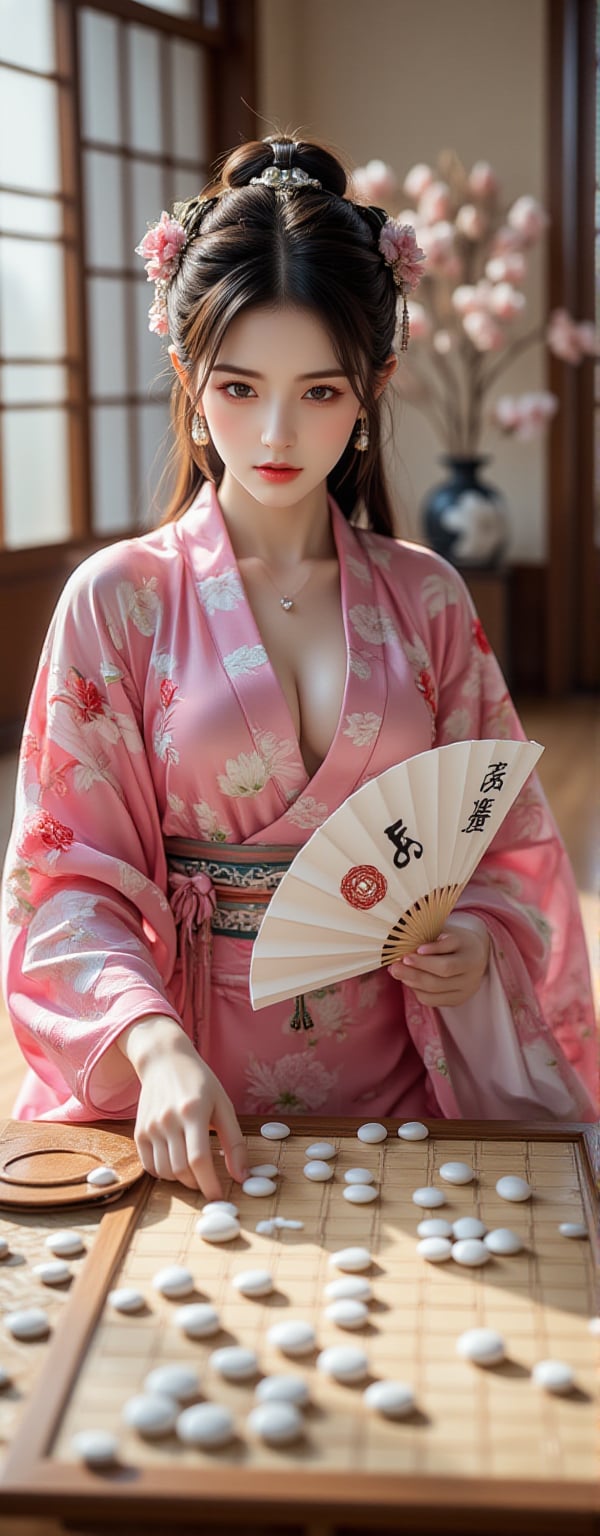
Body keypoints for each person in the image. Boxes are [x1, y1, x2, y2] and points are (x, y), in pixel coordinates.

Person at [1, 136, 596, 1201]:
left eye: (320, 392)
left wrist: (472, 933)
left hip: (410, 1082)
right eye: (239, 386)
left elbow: (509, 847)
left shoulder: (427, 600)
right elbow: (64, 883)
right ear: (187, 377)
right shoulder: (117, 600)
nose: (276, 433)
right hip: (187, 1102)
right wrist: (152, 1047)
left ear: (375, 388)